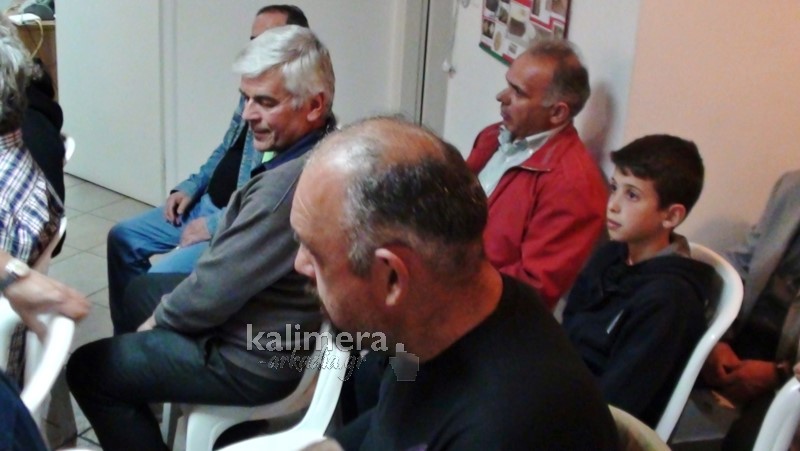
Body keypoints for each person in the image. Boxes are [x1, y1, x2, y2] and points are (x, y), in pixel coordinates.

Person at [66, 25, 336, 450]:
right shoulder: (321, 149)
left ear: (314, 105)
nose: (247, 114)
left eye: (265, 102)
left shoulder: (283, 190)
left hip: (253, 357)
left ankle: (147, 390)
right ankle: (157, 390)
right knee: (140, 291)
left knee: (88, 369)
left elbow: (215, 290)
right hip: (265, 323)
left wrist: (157, 325)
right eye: (246, 98)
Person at [291, 117, 619, 450]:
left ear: (392, 278)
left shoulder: (507, 429)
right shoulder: (433, 323)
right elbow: (386, 426)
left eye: (314, 252)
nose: (299, 264)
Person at [105, 5, 309, 332]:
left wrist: (212, 225)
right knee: (123, 237)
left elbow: (264, 206)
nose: (257, 50)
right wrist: (191, 186)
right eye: (254, 41)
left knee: (151, 286)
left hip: (227, 222)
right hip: (204, 203)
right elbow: (225, 148)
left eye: (270, 40)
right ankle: (127, 335)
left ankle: (146, 339)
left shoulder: (292, 119)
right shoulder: (250, 95)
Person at [562, 135, 712, 427]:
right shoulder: (610, 255)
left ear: (671, 216)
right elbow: (569, 329)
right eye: (614, 188)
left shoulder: (669, 301)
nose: (613, 205)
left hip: (592, 424)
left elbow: (618, 403)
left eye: (632, 195)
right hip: (562, 389)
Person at [466, 38, 607, 310]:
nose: (501, 97)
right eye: (508, 84)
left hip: (483, 308)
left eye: (518, 92)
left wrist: (451, 282)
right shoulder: (494, 136)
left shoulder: (572, 186)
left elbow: (534, 288)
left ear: (557, 113)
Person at [700, 169, 800, 450]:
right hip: (743, 333)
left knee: (747, 441)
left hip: (791, 369)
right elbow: (742, 262)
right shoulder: (792, 186)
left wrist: (778, 373)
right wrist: (716, 337)